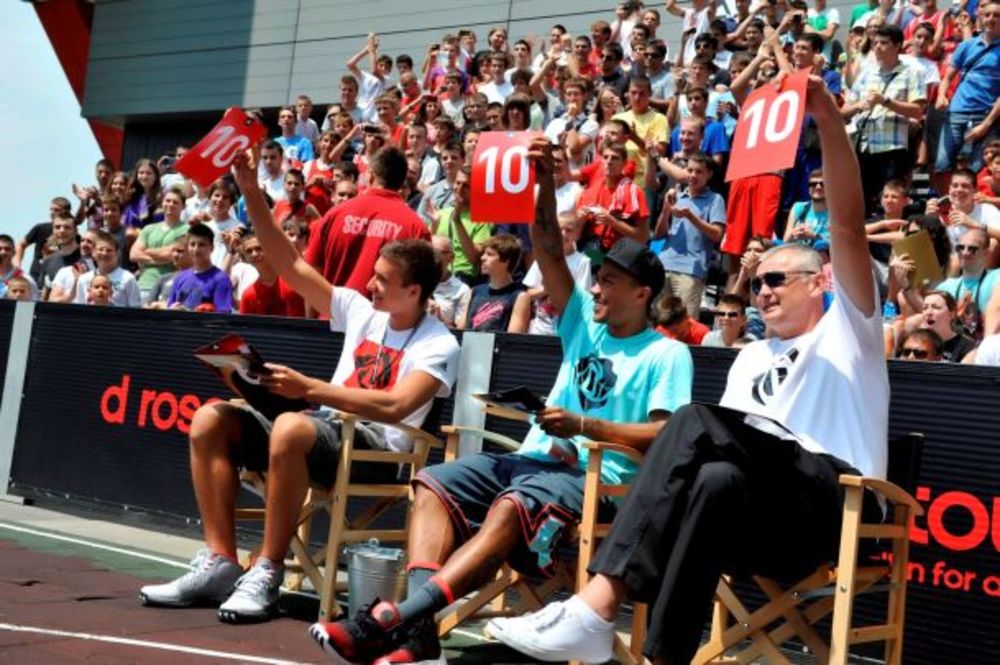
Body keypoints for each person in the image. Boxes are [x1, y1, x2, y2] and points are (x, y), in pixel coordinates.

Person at [488, 75, 888, 665]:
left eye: (778, 279)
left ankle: (596, 604)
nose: (763, 292)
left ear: (819, 282)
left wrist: (825, 115)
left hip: (833, 505)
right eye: (757, 283)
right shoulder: (749, 355)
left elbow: (849, 227)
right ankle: (663, 658)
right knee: (713, 481)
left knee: (697, 422)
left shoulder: (850, 330)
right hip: (761, 518)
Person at [308, 138, 693, 665]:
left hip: (598, 482)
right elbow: (549, 245)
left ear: (642, 293)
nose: (595, 289)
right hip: (532, 461)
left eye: (607, 281)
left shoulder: (667, 355)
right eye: (597, 279)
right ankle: (419, 635)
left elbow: (666, 439)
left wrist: (584, 425)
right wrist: (540, 183)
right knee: (434, 482)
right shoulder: (584, 324)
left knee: (514, 502)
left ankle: (399, 616)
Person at [140, 147, 460, 626]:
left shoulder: (440, 343)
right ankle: (221, 562)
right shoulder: (360, 309)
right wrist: (250, 189)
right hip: (319, 429)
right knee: (211, 419)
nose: (369, 287)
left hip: (375, 454)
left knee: (291, 426)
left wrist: (309, 389)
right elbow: (290, 266)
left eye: (382, 281)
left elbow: (395, 407)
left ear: (414, 291)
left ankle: (266, 570)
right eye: (372, 277)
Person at [305, 146, 430, 296]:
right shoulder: (415, 226)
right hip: (386, 318)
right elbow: (420, 289)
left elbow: (312, 272)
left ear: (370, 175)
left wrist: (314, 319)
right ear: (403, 180)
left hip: (333, 316)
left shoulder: (334, 215)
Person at [841, 25, 926, 214]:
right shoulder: (866, 73)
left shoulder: (912, 72)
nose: (877, 47)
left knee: (891, 201)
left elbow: (918, 111)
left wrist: (885, 101)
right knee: (863, 201)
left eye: (883, 43)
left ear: (897, 46)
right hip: (864, 146)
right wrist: (859, 105)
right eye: (875, 43)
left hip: (893, 148)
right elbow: (844, 110)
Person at [933, 0, 1000, 189]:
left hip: (985, 115)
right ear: (980, 16)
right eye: (987, 15)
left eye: (996, 15)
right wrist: (941, 96)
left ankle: (970, 207)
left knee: (977, 167)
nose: (991, 19)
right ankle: (946, 207)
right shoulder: (967, 45)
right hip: (956, 112)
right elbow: (947, 77)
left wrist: (986, 125)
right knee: (942, 164)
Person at [654, 153, 726, 320]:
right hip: (665, 265)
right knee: (659, 323)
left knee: (685, 323)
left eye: (699, 171)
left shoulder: (715, 200)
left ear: (709, 174)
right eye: (690, 170)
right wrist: (665, 209)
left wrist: (690, 216)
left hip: (690, 272)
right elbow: (659, 234)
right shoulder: (677, 196)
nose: (693, 175)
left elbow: (717, 235)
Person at [131, 187, 190, 303]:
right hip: (143, 285)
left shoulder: (187, 229)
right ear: (162, 203)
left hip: (168, 287)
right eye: (167, 201)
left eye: (175, 202)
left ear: (183, 207)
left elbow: (169, 255)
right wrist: (159, 260)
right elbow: (133, 254)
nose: (170, 204)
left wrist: (146, 251)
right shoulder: (149, 228)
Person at [458, 234, 526, 331]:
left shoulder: (519, 296)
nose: (482, 258)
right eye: (484, 254)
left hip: (498, 346)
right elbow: (461, 329)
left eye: (490, 254)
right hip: (471, 345)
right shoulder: (474, 291)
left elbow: (513, 338)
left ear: (506, 260)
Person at [166, 225, 234, 313]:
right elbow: (169, 308)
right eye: (192, 244)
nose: (196, 249)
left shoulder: (221, 279)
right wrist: (172, 309)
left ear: (212, 248)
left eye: (201, 245)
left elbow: (223, 315)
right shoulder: (180, 277)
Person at [238, 231, 305, 318]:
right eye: (249, 251)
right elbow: (244, 328)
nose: (254, 254)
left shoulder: (295, 282)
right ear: (246, 257)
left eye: (259, 248)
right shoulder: (248, 295)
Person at [73, 232, 142, 308]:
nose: (104, 253)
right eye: (100, 249)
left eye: (109, 250)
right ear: (93, 253)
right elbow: (80, 308)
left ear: (116, 253)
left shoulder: (128, 278)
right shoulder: (83, 279)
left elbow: (136, 308)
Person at [16, 197, 72, 284]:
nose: (52, 213)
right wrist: (17, 265)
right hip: (37, 274)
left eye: (56, 210)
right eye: (51, 209)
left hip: (60, 276)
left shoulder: (72, 233)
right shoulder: (41, 228)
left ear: (66, 212)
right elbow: (21, 244)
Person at [917, 291, 977, 362]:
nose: (928, 312)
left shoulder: (967, 348)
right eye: (925, 308)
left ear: (951, 314)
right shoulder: (915, 343)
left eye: (936, 307)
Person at [428, 235, 472, 328]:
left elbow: (459, 332)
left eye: (434, 252)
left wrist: (439, 318)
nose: (428, 256)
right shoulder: (413, 282)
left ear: (451, 257)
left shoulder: (462, 290)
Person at [783, 168, 830, 245]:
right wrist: (794, 234)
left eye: (823, 184)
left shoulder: (836, 212)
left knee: (821, 246)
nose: (818, 187)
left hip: (824, 254)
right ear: (808, 188)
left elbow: (841, 243)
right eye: (813, 184)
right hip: (799, 253)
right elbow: (785, 241)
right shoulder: (798, 207)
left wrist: (814, 236)